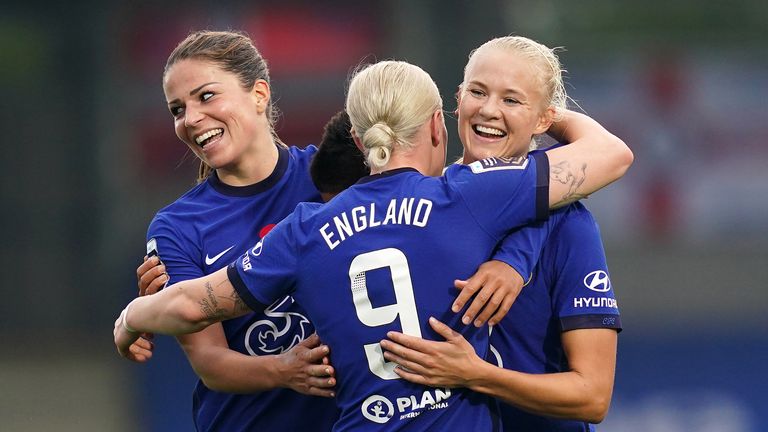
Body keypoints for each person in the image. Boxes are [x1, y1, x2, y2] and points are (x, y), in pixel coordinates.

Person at [115, 59, 631, 430]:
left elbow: (189, 304)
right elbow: (609, 154)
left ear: (359, 142)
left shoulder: (305, 226)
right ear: (438, 122)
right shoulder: (466, 196)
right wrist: (547, 114)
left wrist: (133, 316)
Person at [379, 36, 622, 431]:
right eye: (477, 91)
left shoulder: (569, 224)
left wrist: (476, 374)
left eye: (511, 100)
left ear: (545, 120)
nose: (489, 110)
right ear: (457, 98)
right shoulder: (415, 205)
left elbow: (592, 396)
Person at [126, 30, 339, 431]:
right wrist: (283, 369)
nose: (190, 119)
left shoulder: (331, 177)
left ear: (259, 94)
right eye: (177, 109)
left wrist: (501, 264)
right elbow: (211, 364)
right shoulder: (177, 226)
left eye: (206, 96)